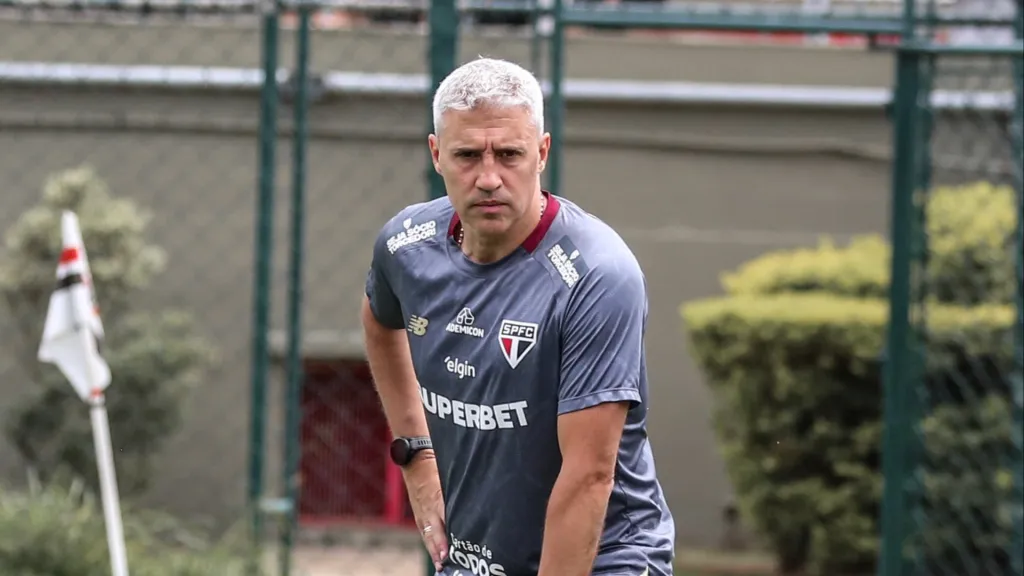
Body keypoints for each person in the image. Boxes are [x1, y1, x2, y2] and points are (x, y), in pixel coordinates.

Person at [361, 56, 675, 576]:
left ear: (542, 152)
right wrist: (417, 456)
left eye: (509, 154)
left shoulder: (598, 275)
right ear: (436, 155)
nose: (488, 178)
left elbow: (589, 478)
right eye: (467, 155)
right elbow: (379, 321)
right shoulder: (405, 246)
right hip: (475, 557)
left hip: (603, 558)